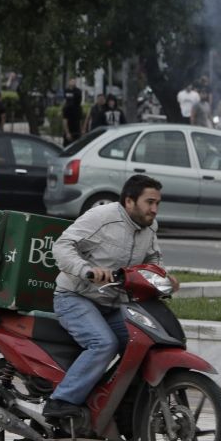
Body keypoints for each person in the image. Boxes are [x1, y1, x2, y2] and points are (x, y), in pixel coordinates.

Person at [43, 174, 172, 420]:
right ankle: (60, 402)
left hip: (114, 304)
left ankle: (114, 402)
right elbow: (62, 246)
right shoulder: (102, 217)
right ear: (129, 201)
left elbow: (153, 259)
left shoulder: (148, 226)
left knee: (143, 343)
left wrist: (163, 276)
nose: (154, 209)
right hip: (76, 296)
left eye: (157, 203)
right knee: (103, 343)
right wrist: (87, 270)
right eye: (149, 202)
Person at [61, 78, 83, 144]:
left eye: (74, 81)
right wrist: (67, 133)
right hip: (69, 131)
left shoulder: (79, 108)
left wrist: (81, 131)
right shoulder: (66, 108)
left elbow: (80, 120)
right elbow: (65, 121)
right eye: (71, 81)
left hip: (76, 132)